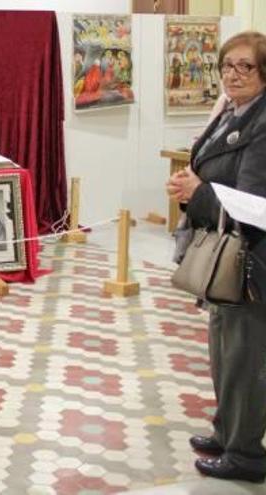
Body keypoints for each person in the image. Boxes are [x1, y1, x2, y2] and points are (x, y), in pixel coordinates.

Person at [166, 31, 266, 484]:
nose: (233, 73)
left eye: (245, 66)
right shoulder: (232, 110)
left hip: (252, 260)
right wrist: (192, 187)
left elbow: (253, 202)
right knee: (224, 350)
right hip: (226, 254)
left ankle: (246, 452)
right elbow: (211, 164)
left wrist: (198, 192)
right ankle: (228, 431)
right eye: (227, 65)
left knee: (245, 358)